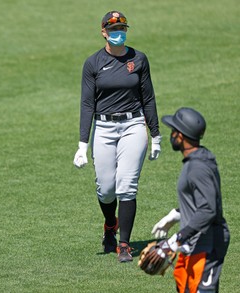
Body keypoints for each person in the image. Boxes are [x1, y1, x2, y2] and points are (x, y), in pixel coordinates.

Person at [73, 10, 162, 262]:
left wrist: (155, 135)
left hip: (133, 125)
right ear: (103, 32)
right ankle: (110, 224)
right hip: (103, 128)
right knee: (106, 189)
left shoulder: (139, 59)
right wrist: (82, 144)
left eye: (122, 29)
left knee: (126, 185)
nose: (118, 33)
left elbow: (149, 98)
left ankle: (123, 244)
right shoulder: (93, 63)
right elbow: (87, 104)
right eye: (113, 30)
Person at [152, 107, 230, 293]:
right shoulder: (197, 159)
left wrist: (177, 239)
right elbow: (202, 201)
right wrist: (177, 215)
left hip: (208, 243)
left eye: (173, 131)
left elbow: (208, 209)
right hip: (194, 242)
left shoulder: (198, 167)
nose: (171, 135)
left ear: (180, 136)